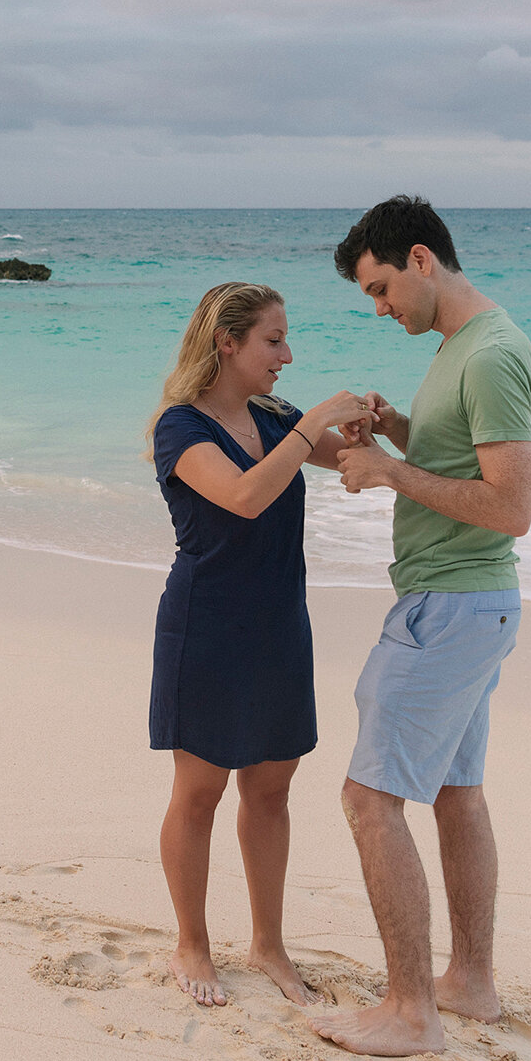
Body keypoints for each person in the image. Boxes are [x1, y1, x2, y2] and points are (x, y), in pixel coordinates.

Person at [309, 196, 531, 1058]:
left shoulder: (487, 358)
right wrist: (404, 434)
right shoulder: (462, 349)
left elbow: (510, 508)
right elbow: (467, 463)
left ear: (418, 259)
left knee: (369, 800)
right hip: (467, 603)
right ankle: (470, 984)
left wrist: (387, 473)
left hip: (451, 603)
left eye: (378, 291)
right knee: (454, 792)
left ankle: (411, 1010)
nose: (379, 310)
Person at [149, 282, 372, 1008]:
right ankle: (192, 943)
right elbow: (245, 496)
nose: (287, 354)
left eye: (285, 339)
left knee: (271, 790)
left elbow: (346, 466)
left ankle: (269, 944)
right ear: (228, 343)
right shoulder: (179, 429)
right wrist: (313, 424)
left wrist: (371, 430)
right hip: (207, 629)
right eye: (273, 340)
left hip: (281, 625)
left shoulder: (277, 417)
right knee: (200, 792)